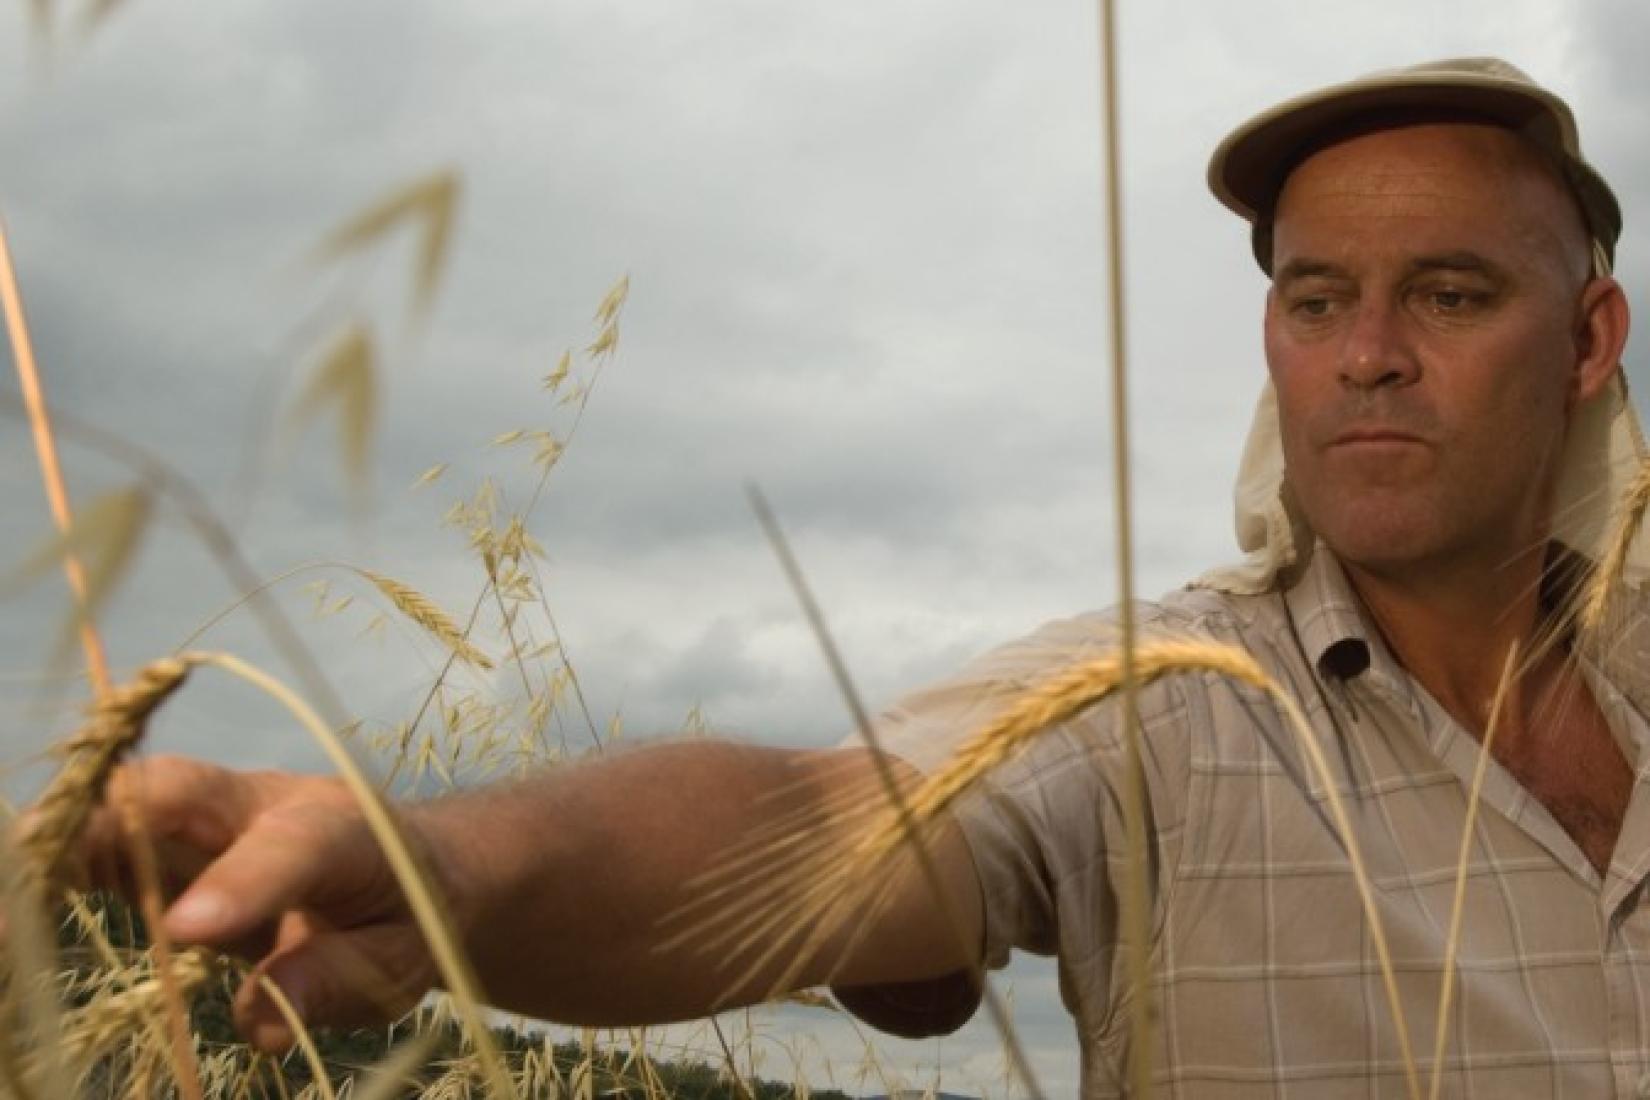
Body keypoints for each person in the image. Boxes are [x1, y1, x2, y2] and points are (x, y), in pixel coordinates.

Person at [49, 57, 1650, 1096]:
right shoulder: (1169, 712)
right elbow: (829, 822)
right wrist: (454, 869)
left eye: (1445, 296)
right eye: (1315, 303)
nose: (1365, 357)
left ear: (1585, 342)